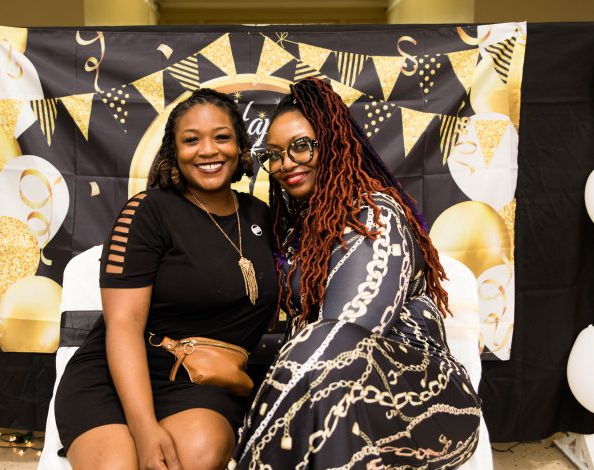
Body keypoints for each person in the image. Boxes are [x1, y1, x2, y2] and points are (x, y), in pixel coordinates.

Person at [231, 78, 481, 469]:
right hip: (333, 398)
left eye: (301, 145)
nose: (285, 163)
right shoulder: (296, 231)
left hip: (429, 401)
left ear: (332, 143)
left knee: (326, 352)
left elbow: (342, 344)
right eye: (274, 154)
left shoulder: (375, 216)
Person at [54, 88, 278, 470]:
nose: (208, 150)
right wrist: (144, 428)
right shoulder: (148, 211)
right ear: (174, 151)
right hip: (115, 376)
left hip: (202, 383)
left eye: (221, 137)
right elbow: (124, 324)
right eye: (191, 140)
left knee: (196, 454)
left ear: (240, 146)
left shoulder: (262, 217)